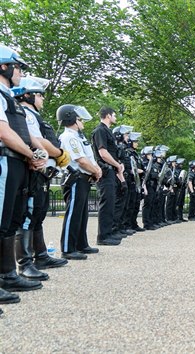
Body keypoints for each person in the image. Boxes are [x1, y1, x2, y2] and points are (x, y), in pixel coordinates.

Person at [0, 45, 48, 301]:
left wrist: (32, 156)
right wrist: (32, 155)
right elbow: (3, 132)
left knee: (11, 219)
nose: (19, 72)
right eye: (17, 66)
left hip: (18, 162)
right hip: (6, 160)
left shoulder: (8, 97)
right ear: (4, 66)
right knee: (1, 219)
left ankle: (7, 274)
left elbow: (22, 134)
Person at [12, 76, 70, 279]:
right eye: (40, 95)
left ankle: (41, 255)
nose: (43, 99)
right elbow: (38, 141)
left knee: (38, 214)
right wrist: (58, 152)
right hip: (35, 171)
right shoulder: (26, 114)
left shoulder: (33, 115)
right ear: (27, 95)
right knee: (28, 215)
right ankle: (25, 263)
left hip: (44, 173)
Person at [58, 105, 103, 259]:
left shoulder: (78, 136)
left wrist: (96, 169)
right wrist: (96, 171)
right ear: (71, 119)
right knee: (73, 214)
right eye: (79, 119)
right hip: (76, 178)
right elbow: (81, 161)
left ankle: (81, 244)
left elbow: (89, 157)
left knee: (82, 214)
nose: (82, 121)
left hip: (84, 178)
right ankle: (68, 249)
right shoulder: (69, 137)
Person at [91, 106, 125, 245]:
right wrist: (117, 165)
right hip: (105, 171)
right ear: (108, 116)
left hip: (111, 171)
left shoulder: (107, 131)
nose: (115, 118)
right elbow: (103, 153)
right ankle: (103, 237)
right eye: (114, 115)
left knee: (111, 203)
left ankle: (109, 233)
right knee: (106, 203)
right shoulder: (100, 131)